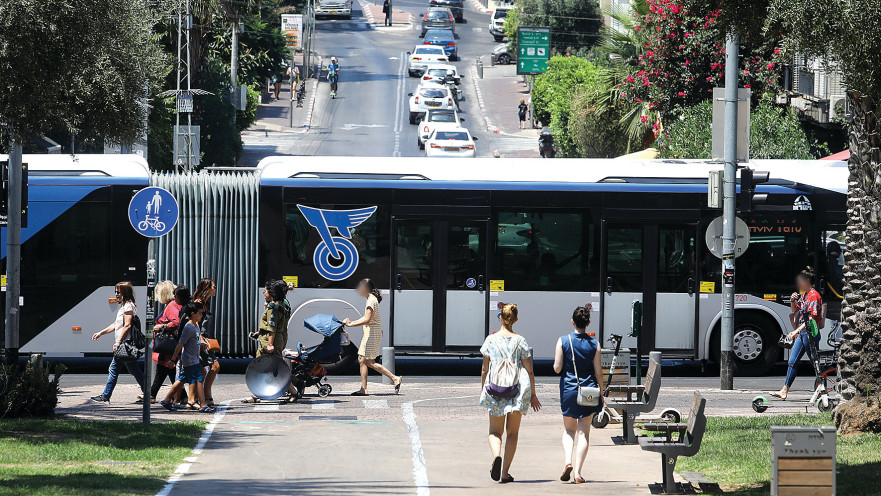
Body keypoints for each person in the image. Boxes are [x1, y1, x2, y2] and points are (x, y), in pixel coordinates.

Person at [479, 303, 541, 483]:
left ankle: (496, 455)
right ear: (515, 320)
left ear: (500, 317)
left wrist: (484, 389)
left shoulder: (490, 340)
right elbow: (529, 371)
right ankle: (505, 473)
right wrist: (533, 395)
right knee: (512, 433)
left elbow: (485, 369)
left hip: (495, 390)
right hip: (517, 392)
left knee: (494, 432)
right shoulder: (521, 340)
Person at [553, 304, 603, 484]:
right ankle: (578, 473)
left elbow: (557, 368)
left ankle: (567, 461)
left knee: (568, 430)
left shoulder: (563, 340)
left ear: (572, 322)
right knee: (584, 433)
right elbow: (598, 372)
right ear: (588, 323)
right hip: (588, 391)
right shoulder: (594, 344)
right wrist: (602, 391)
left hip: (568, 390)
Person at [344, 278, 402, 396]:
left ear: (366, 289)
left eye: (360, 287)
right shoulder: (371, 299)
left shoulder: (371, 301)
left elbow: (367, 319)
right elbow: (366, 318)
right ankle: (364, 389)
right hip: (371, 333)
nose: (359, 290)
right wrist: (353, 323)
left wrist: (351, 324)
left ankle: (394, 378)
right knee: (363, 360)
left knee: (366, 360)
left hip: (372, 334)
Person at [772, 267, 823, 400]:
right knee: (792, 361)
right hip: (803, 333)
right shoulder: (805, 295)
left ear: (807, 281)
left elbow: (811, 317)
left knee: (815, 363)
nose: (799, 284)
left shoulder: (814, 295)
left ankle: (823, 390)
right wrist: (793, 301)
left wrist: (795, 331)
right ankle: (784, 390)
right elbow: (796, 310)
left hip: (810, 333)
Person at [90, 282, 145, 403]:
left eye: (118, 292)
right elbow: (116, 325)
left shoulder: (128, 306)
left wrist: (118, 342)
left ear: (125, 293)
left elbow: (127, 325)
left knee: (113, 369)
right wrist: (101, 332)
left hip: (125, 344)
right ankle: (149, 393)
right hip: (124, 344)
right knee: (134, 370)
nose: (116, 294)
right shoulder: (124, 306)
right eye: (116, 292)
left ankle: (105, 396)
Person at [243, 279, 294, 403]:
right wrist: (260, 333)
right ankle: (257, 394)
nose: (264, 294)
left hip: (271, 341)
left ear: (271, 293)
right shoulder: (284, 303)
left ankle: (294, 390)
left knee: (276, 368)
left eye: (265, 292)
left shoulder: (273, 308)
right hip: (278, 337)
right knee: (263, 367)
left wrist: (270, 344)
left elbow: (272, 327)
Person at [159, 301, 214, 413]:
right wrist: (173, 359)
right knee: (199, 379)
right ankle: (203, 404)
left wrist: (201, 345)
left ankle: (166, 399)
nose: (201, 315)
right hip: (190, 359)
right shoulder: (189, 327)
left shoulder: (195, 325)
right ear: (193, 314)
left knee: (182, 379)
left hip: (192, 358)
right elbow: (180, 344)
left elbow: (194, 341)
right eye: (199, 313)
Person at [149, 282, 189, 403]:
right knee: (167, 370)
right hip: (170, 345)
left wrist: (162, 327)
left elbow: (176, 322)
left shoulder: (171, 306)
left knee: (166, 369)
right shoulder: (173, 304)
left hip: (168, 344)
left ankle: (152, 395)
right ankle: (182, 396)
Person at [189, 278, 217, 409]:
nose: (215, 289)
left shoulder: (205, 303)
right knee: (214, 366)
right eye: (213, 286)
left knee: (201, 371)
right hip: (200, 340)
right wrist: (200, 338)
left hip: (205, 339)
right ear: (206, 289)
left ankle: (193, 399)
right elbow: (195, 322)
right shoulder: (198, 303)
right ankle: (206, 395)